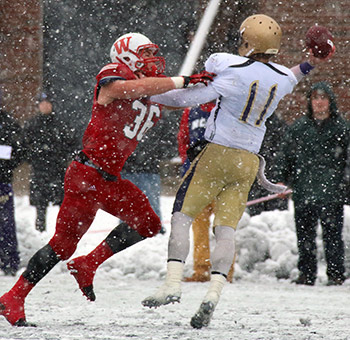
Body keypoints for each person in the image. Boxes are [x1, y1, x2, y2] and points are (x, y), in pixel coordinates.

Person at [0, 32, 214, 327]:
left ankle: (87, 264)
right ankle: (13, 297)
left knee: (149, 224)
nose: (152, 59)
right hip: (86, 175)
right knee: (63, 245)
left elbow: (176, 98)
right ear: (126, 55)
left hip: (108, 179)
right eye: (145, 53)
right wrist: (184, 79)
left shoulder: (147, 89)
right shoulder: (113, 77)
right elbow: (138, 88)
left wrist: (217, 87)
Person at [141, 14, 335, 329]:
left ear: (248, 40)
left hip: (218, 153)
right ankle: (214, 293)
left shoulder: (231, 68)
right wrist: (311, 62)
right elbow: (294, 75)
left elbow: (189, 98)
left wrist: (146, 92)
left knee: (182, 215)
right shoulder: (281, 78)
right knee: (226, 228)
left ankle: (172, 283)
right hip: (248, 161)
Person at [275, 82, 349, 286]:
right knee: (305, 236)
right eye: (315, 98)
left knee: (333, 236)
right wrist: (281, 179)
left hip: (331, 193)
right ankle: (306, 274)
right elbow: (285, 155)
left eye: (323, 98)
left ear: (330, 101)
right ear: (310, 102)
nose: (319, 102)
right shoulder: (299, 128)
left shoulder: (342, 128)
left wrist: (344, 183)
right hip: (303, 190)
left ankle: (335, 274)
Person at [178, 102, 234, 283]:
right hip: (197, 177)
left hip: (223, 176)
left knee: (224, 225)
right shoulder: (191, 111)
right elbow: (183, 139)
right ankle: (201, 269)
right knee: (199, 225)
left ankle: (224, 270)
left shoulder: (229, 108)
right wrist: (187, 164)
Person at [121, 114, 177, 235]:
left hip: (145, 166)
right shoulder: (153, 114)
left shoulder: (153, 115)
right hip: (136, 166)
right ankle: (128, 230)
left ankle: (152, 229)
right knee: (128, 205)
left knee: (147, 202)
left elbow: (168, 138)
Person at [24, 93, 69, 232]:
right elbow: (24, 147)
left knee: (62, 203)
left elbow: (70, 145)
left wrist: (61, 158)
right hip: (39, 170)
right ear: (38, 105)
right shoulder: (31, 125)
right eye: (42, 103)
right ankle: (40, 231)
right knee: (40, 204)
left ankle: (63, 231)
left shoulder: (60, 124)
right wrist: (35, 156)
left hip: (57, 170)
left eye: (48, 102)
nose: (45, 105)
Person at [0, 99, 25, 276]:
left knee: (6, 223)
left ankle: (9, 262)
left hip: (2, 182)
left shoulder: (8, 124)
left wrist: (7, 167)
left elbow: (21, 150)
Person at [247, 113, 289, 216]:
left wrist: (282, 179)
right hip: (253, 182)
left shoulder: (279, 126)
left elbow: (285, 156)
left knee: (277, 222)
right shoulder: (248, 125)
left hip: (275, 183)